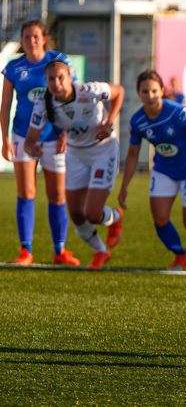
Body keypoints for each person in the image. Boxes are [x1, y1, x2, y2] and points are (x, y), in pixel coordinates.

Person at [118, 69, 186, 270]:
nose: (149, 96)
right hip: (164, 171)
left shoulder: (178, 113)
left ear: (161, 91)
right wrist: (124, 186)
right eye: (144, 91)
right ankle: (180, 255)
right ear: (138, 93)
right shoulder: (138, 121)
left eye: (153, 91)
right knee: (159, 218)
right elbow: (133, 154)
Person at [24, 60, 126, 270]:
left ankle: (115, 217)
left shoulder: (89, 91)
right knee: (77, 215)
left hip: (103, 150)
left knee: (92, 213)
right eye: (51, 78)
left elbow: (119, 92)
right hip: (76, 155)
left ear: (70, 77)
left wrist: (109, 122)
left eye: (60, 77)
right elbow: (29, 141)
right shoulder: (44, 104)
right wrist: (32, 149)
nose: (56, 82)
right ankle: (101, 251)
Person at [1, 20, 74, 266]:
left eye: (35, 36)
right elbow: (5, 106)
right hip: (23, 135)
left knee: (57, 194)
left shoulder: (57, 60)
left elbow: (68, 98)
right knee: (26, 192)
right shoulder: (14, 68)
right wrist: (5, 139)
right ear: (21, 41)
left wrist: (65, 132)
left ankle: (60, 250)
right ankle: (26, 251)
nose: (31, 41)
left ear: (43, 38)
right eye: (26, 37)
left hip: (53, 136)